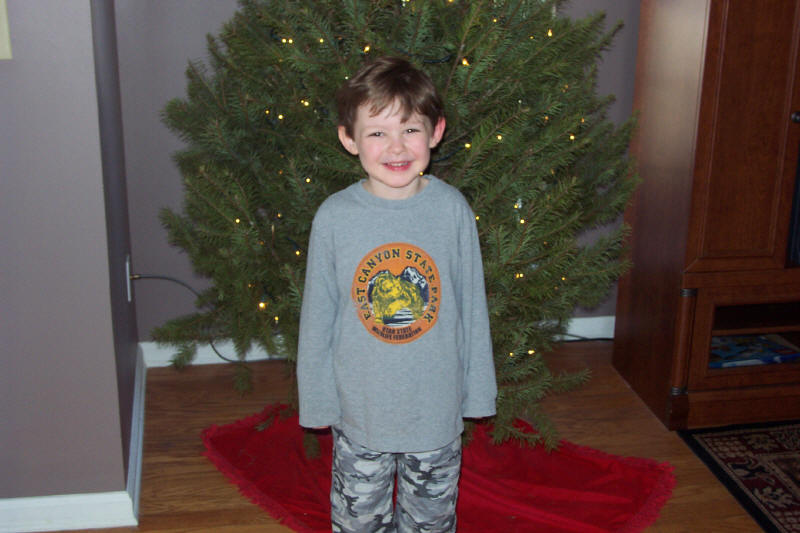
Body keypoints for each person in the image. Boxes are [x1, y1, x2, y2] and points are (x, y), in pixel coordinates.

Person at [297, 56, 497, 533]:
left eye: (410, 129)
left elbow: (472, 307)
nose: (396, 147)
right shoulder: (334, 217)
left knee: (431, 522)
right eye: (377, 132)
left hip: (436, 412)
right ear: (349, 139)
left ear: (436, 132)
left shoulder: (451, 210)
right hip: (360, 413)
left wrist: (478, 392)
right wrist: (317, 400)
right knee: (358, 521)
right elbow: (318, 317)